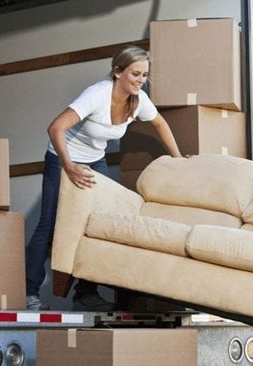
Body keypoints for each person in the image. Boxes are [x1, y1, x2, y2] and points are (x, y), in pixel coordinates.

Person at [25, 45, 182, 312]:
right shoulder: (97, 94)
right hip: (63, 158)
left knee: (100, 224)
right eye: (135, 74)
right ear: (118, 71)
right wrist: (69, 166)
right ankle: (30, 293)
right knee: (48, 224)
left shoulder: (139, 100)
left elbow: (160, 124)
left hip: (95, 161)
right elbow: (55, 128)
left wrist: (178, 159)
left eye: (144, 75)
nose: (141, 80)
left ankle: (85, 293)